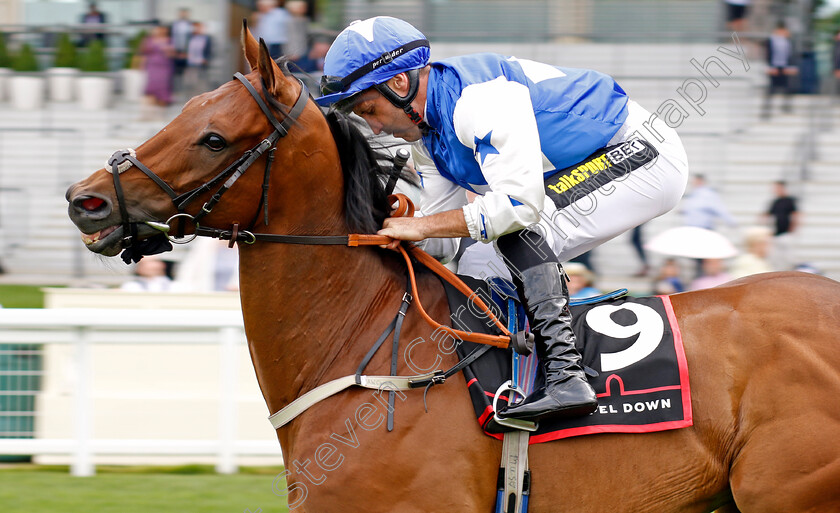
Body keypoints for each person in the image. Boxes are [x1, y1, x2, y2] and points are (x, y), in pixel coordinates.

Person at [315, 17, 689, 422]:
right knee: (480, 260)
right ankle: (513, 384)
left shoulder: (478, 101)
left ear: (400, 84)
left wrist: (422, 226)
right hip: (592, 160)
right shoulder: (428, 132)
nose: (372, 126)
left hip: (642, 151)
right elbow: (448, 239)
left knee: (516, 229)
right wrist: (400, 223)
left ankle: (567, 377)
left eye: (369, 109)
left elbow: (518, 207)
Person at [763, 21, 798, 118]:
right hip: (774, 66)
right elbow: (767, 54)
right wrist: (770, 67)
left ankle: (786, 107)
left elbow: (791, 55)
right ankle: (766, 111)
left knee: (789, 88)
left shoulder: (788, 41)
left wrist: (792, 66)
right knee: (771, 89)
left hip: (785, 67)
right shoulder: (770, 40)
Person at [764, 180, 799, 271]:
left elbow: (796, 214)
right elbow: (768, 214)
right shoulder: (775, 202)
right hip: (776, 233)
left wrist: (793, 228)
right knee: (775, 257)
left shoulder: (789, 200)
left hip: (786, 232)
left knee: (788, 256)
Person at [140, 25, 175, 107]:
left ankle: (163, 101)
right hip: (152, 65)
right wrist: (142, 64)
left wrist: (168, 50)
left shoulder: (169, 40)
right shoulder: (150, 39)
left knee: (163, 83)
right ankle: (152, 101)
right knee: (152, 82)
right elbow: (143, 52)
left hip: (164, 65)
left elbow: (173, 54)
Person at [182, 21, 212, 99]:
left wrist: (206, 59)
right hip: (190, 63)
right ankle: (189, 98)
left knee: (201, 83)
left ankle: (201, 99)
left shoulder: (206, 38)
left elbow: (209, 51)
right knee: (190, 82)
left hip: (201, 64)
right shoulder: (189, 37)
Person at [170, 8, 194, 90]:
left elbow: (192, 39)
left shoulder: (191, 25)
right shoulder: (174, 24)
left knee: (187, 72)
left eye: (185, 13)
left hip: (187, 51)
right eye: (182, 13)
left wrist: (186, 51)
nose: (183, 15)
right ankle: (176, 90)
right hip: (175, 51)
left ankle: (186, 90)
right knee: (175, 72)